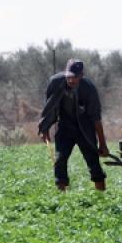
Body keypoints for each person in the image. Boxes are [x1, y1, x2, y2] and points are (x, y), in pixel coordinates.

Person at [38, 59, 109, 191]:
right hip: (65, 126)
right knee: (60, 160)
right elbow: (49, 107)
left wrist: (102, 144)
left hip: (85, 127)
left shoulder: (89, 89)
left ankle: (101, 196)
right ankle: (61, 197)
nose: (71, 80)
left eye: (75, 77)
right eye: (69, 77)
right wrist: (44, 128)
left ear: (81, 75)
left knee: (93, 161)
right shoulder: (55, 82)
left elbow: (96, 118)